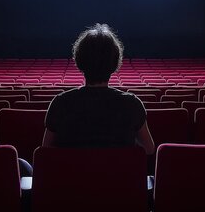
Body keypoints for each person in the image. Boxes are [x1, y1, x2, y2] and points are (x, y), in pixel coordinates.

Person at [42, 23, 155, 154]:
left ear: (79, 61)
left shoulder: (60, 103)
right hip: (118, 174)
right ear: (114, 63)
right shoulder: (132, 104)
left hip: (73, 174)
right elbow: (149, 149)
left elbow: (46, 151)